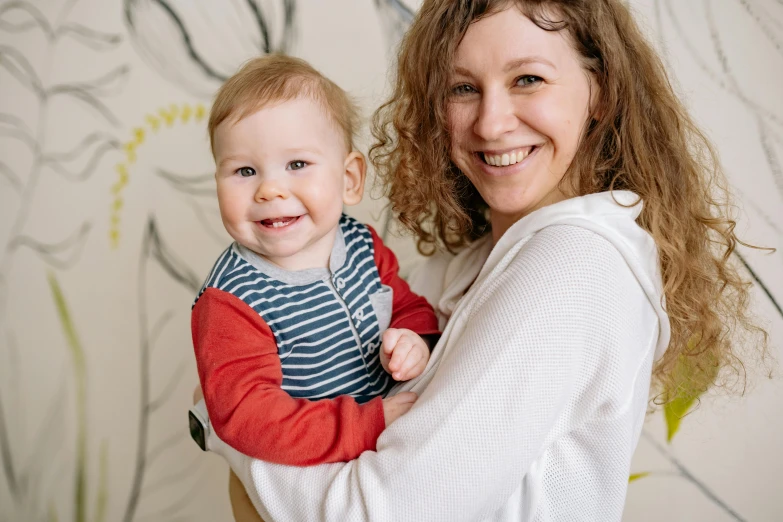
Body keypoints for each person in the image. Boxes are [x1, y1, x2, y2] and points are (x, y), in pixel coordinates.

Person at [198, 1, 767, 520]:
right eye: (463, 88)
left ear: (601, 92)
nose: (492, 123)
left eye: (528, 79)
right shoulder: (472, 262)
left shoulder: (573, 267)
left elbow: (379, 513)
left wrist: (226, 428)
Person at [192, 54, 440, 466]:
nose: (270, 189)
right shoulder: (231, 301)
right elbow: (250, 418)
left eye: (297, 164)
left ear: (349, 179)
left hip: (391, 432)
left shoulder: (361, 243)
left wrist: (415, 340)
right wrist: (364, 425)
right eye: (244, 171)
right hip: (312, 466)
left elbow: (406, 305)